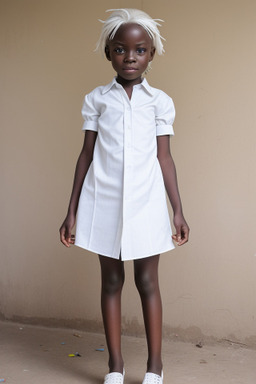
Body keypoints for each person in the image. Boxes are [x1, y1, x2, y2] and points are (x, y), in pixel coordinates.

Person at [59, 8, 189, 384]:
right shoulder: (97, 100)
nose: (129, 57)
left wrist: (177, 210)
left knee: (148, 282)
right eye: (120, 49)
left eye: (139, 50)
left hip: (147, 203)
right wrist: (71, 212)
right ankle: (115, 366)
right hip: (103, 202)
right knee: (111, 281)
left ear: (151, 55)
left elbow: (165, 158)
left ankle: (155, 367)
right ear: (109, 54)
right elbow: (86, 154)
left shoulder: (159, 102)